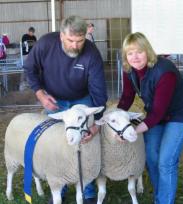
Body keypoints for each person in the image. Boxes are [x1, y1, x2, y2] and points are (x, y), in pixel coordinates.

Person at [24, 16, 107, 204]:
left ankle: (87, 191)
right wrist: (40, 94)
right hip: (54, 100)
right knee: (55, 143)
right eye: (71, 40)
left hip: (82, 100)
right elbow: (29, 68)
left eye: (80, 41)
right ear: (62, 36)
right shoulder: (45, 44)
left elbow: (99, 92)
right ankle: (58, 188)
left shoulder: (91, 54)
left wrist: (97, 123)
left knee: (85, 142)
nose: (76, 46)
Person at [117, 32, 183, 204]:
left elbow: (158, 112)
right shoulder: (129, 69)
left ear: (148, 51)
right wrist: (116, 120)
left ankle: (164, 201)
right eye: (130, 53)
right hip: (155, 115)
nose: (135, 57)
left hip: (178, 115)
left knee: (166, 161)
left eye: (139, 51)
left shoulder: (165, 71)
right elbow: (127, 96)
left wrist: (133, 131)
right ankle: (162, 196)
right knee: (151, 157)